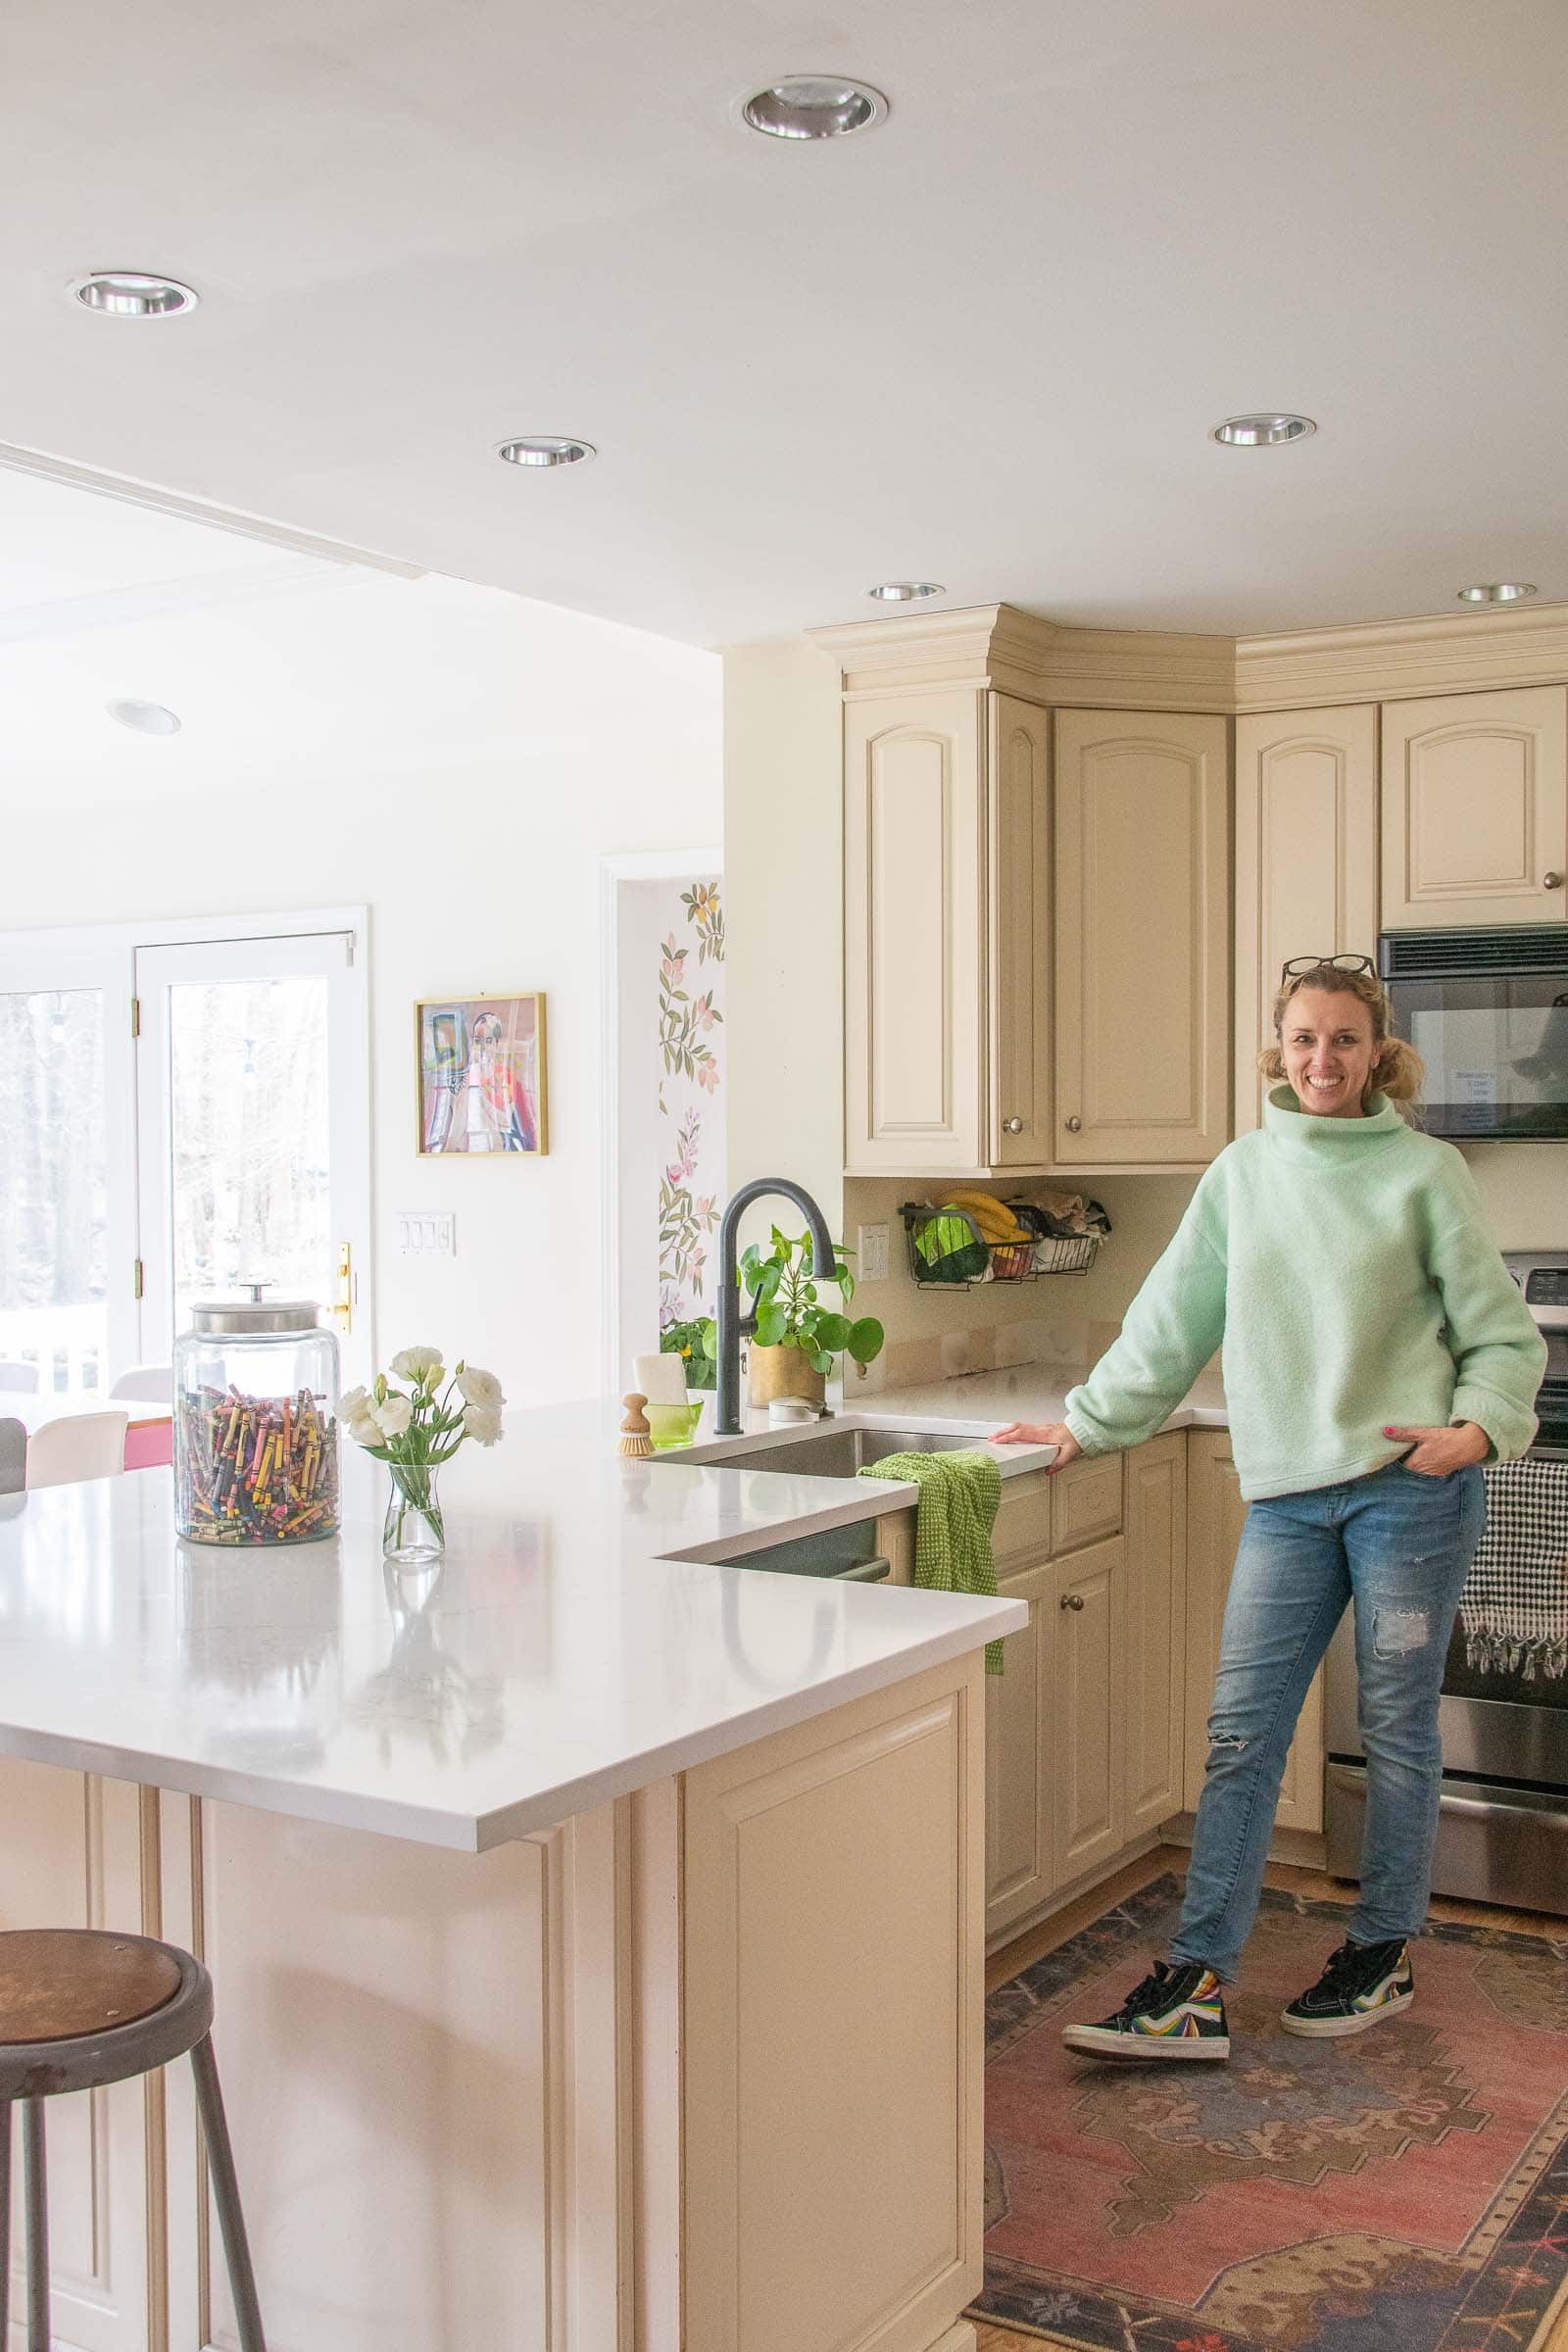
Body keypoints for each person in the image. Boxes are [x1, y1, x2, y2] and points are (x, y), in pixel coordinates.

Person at [994, 954, 1547, 2060]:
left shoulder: (1424, 1172)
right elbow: (1169, 1319)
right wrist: (1086, 1421)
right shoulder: (1242, 1174)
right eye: (1304, 1039)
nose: (1322, 1059)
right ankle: (1194, 1980)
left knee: (1395, 1732)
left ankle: (1381, 1948)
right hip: (1291, 1500)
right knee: (1241, 1736)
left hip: (1409, 1492)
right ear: (1277, 1051)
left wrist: (1478, 1427)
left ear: (1378, 1054)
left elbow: (1502, 1334)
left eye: (1344, 1040)